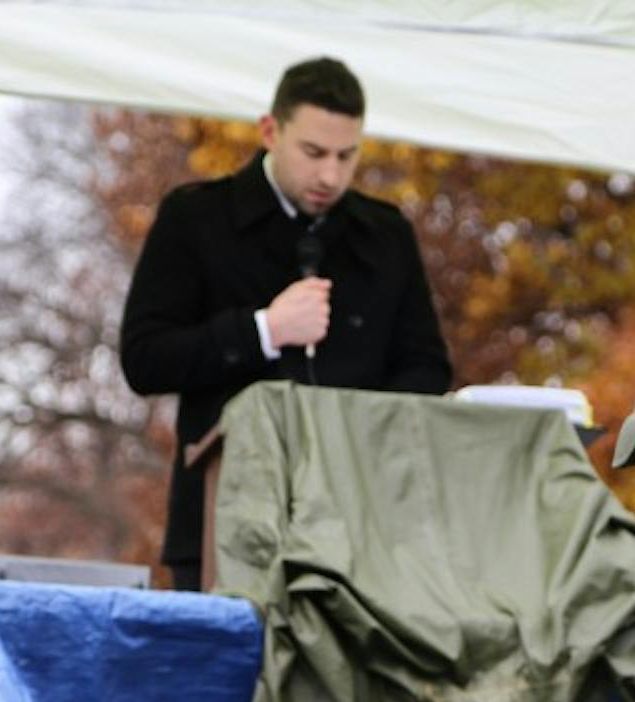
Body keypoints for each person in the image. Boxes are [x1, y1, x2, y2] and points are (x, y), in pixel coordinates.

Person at [120, 57, 453, 591]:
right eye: (314, 152)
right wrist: (263, 332)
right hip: (222, 523)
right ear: (270, 131)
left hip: (360, 526)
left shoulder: (385, 236)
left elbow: (427, 369)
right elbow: (144, 358)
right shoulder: (195, 219)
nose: (330, 175)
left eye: (347, 156)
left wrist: (359, 429)